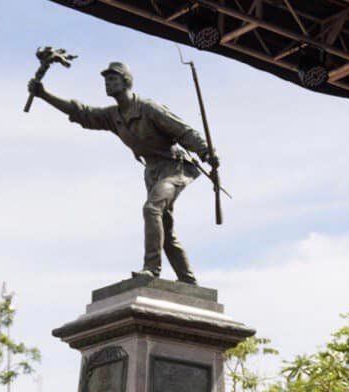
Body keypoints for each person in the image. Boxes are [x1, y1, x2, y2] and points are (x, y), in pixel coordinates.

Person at [27, 62, 218, 284]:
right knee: (163, 228)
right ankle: (187, 279)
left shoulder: (148, 108)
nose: (108, 83)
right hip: (152, 170)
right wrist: (43, 94)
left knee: (152, 209)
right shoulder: (113, 116)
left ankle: (151, 269)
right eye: (106, 80)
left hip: (174, 167)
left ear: (126, 81)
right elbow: (82, 113)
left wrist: (205, 152)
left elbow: (183, 131)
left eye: (113, 79)